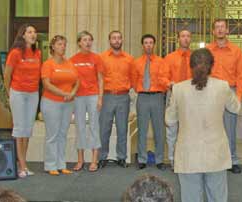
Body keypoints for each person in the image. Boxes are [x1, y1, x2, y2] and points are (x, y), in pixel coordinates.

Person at [166, 48, 240, 202]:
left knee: (190, 197)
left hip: (188, 153)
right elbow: (236, 108)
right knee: (218, 197)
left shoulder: (178, 89)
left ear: (191, 66)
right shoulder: (223, 86)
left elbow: (169, 120)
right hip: (216, 153)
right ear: (211, 66)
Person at [206, 19, 242, 174]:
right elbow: (203, 72)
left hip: (230, 92)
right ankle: (212, 160)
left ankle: (232, 160)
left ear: (227, 30)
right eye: (217, 27)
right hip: (211, 93)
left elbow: (241, 75)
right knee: (211, 128)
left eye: (222, 27)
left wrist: (238, 97)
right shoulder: (208, 50)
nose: (220, 30)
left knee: (230, 129)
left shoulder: (236, 51)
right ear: (213, 32)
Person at [4, 24, 41, 178]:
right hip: (18, 93)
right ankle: (22, 167)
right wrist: (9, 93)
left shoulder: (37, 53)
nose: (33, 34)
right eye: (30, 32)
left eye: (35, 32)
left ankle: (22, 163)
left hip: (33, 94)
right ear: (23, 35)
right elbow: (7, 75)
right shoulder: (15, 53)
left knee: (27, 130)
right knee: (19, 129)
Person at [41, 35, 79, 175]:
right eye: (59, 44)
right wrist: (64, 93)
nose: (62, 47)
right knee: (53, 135)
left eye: (64, 44)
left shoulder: (69, 64)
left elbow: (77, 81)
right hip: (51, 102)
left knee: (63, 134)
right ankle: (51, 165)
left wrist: (73, 92)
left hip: (68, 103)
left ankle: (61, 164)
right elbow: (46, 84)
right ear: (52, 47)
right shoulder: (48, 64)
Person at [131, 34, 170, 170]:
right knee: (142, 128)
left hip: (157, 97)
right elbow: (134, 80)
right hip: (142, 97)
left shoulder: (161, 61)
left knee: (159, 129)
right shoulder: (136, 62)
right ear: (142, 45)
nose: (148, 45)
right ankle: (142, 159)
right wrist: (140, 90)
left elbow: (164, 78)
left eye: (151, 42)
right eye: (146, 42)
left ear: (154, 45)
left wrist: (164, 86)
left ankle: (159, 159)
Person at [99, 31, 134, 169]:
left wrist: (126, 87)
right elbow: (99, 77)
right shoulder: (102, 58)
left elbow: (133, 77)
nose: (117, 40)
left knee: (122, 128)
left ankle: (121, 157)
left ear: (122, 40)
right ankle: (102, 157)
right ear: (109, 40)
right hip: (107, 96)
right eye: (114, 38)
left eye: (119, 38)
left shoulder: (129, 59)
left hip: (123, 96)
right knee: (104, 129)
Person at [70, 31, 104, 172]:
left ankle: (94, 160)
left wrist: (100, 98)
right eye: (85, 40)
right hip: (78, 97)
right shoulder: (72, 60)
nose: (88, 42)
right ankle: (80, 160)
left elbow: (101, 79)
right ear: (79, 42)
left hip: (93, 95)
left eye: (90, 40)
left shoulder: (96, 58)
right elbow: (71, 80)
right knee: (80, 127)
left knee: (94, 126)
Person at [164, 29, 192, 168]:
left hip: (192, 97)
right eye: (183, 36)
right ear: (178, 39)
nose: (185, 39)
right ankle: (173, 159)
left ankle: (188, 159)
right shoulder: (169, 57)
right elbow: (163, 76)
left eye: (188, 36)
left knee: (190, 129)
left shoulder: (195, 57)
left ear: (190, 39)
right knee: (172, 128)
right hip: (174, 95)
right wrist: (168, 83)